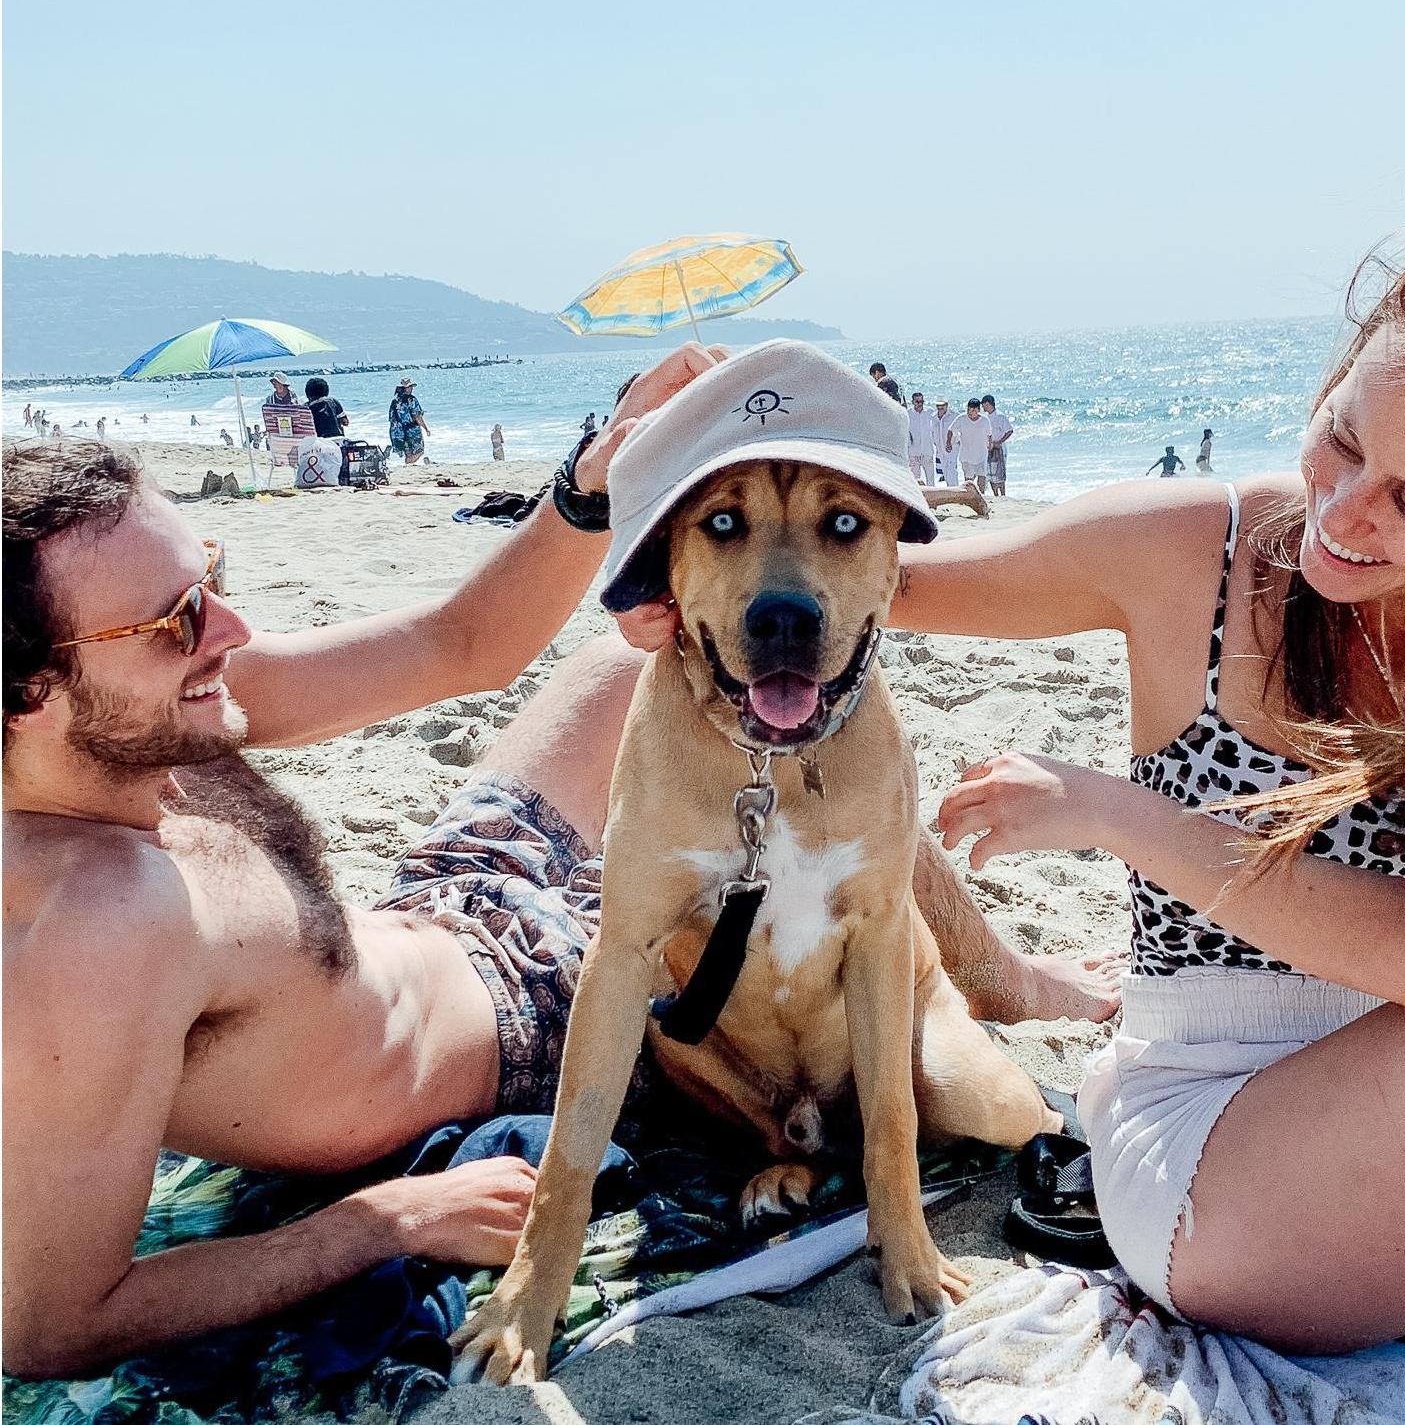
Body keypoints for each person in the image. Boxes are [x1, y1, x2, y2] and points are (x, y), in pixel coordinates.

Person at [2, 341, 1109, 1379]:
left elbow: (458, 646)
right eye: (177, 616)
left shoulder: (154, 708)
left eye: (214, 576)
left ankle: (997, 971)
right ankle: (986, 988)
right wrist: (384, 1221)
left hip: (456, 881)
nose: (233, 629)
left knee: (684, 675)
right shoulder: (93, 924)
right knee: (773, 753)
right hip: (538, 998)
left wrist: (590, 487)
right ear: (34, 692)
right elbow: (50, 1317)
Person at [889, 214, 1405, 1353]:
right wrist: (633, 504)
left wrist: (1113, 810)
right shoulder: (1194, 549)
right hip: (1203, 1146)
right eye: (1340, 440)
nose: (1342, 513)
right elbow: (886, 583)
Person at [949, 397, 993, 491]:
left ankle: (982, 496)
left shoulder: (985, 420)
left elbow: (989, 435)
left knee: (982, 478)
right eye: (969, 409)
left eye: (973, 410)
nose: (971, 412)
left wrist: (990, 445)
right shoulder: (961, 418)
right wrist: (948, 442)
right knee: (969, 481)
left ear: (978, 410)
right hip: (966, 456)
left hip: (981, 454)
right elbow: (951, 430)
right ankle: (970, 496)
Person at [388, 378, 428, 464]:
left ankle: (408, 465)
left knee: (408, 453)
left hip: (397, 432)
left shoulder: (395, 400)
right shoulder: (411, 399)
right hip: (411, 431)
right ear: (406, 388)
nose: (412, 389)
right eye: (410, 387)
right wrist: (426, 428)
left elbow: (391, 418)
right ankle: (409, 464)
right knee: (419, 451)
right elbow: (417, 416)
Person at [981, 395, 1013, 498]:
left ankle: (1003, 494)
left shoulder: (1000, 416)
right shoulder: (984, 417)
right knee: (990, 472)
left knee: (1000, 472)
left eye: (984, 404)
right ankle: (995, 495)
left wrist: (999, 441)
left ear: (988, 404)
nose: (983, 407)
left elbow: (1009, 431)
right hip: (988, 447)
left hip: (999, 447)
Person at [907, 392, 935, 483]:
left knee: (930, 480)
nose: (920, 404)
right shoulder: (908, 414)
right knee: (915, 481)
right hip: (913, 452)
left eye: (921, 401)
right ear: (913, 402)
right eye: (917, 401)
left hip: (927, 451)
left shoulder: (930, 412)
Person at [932, 399, 958, 485]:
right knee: (944, 470)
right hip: (939, 447)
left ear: (946, 405)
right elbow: (932, 431)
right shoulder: (933, 417)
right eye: (938, 406)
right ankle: (950, 489)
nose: (940, 408)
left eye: (942, 406)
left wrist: (953, 441)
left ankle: (955, 490)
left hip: (952, 447)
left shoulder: (954, 416)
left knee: (951, 469)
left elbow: (959, 430)